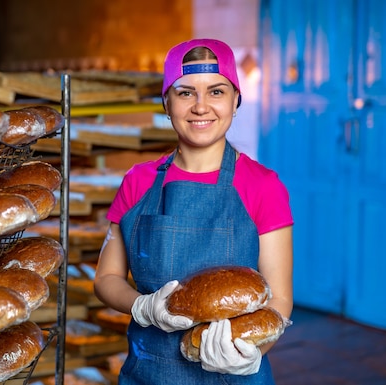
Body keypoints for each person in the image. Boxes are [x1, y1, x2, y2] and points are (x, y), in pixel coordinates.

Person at [93, 38, 294, 384]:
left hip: (235, 376)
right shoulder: (137, 182)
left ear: (236, 101)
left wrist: (252, 356)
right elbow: (106, 279)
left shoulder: (263, 186)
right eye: (186, 93)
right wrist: (144, 307)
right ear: (166, 103)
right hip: (149, 374)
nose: (201, 107)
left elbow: (280, 298)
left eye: (216, 92)